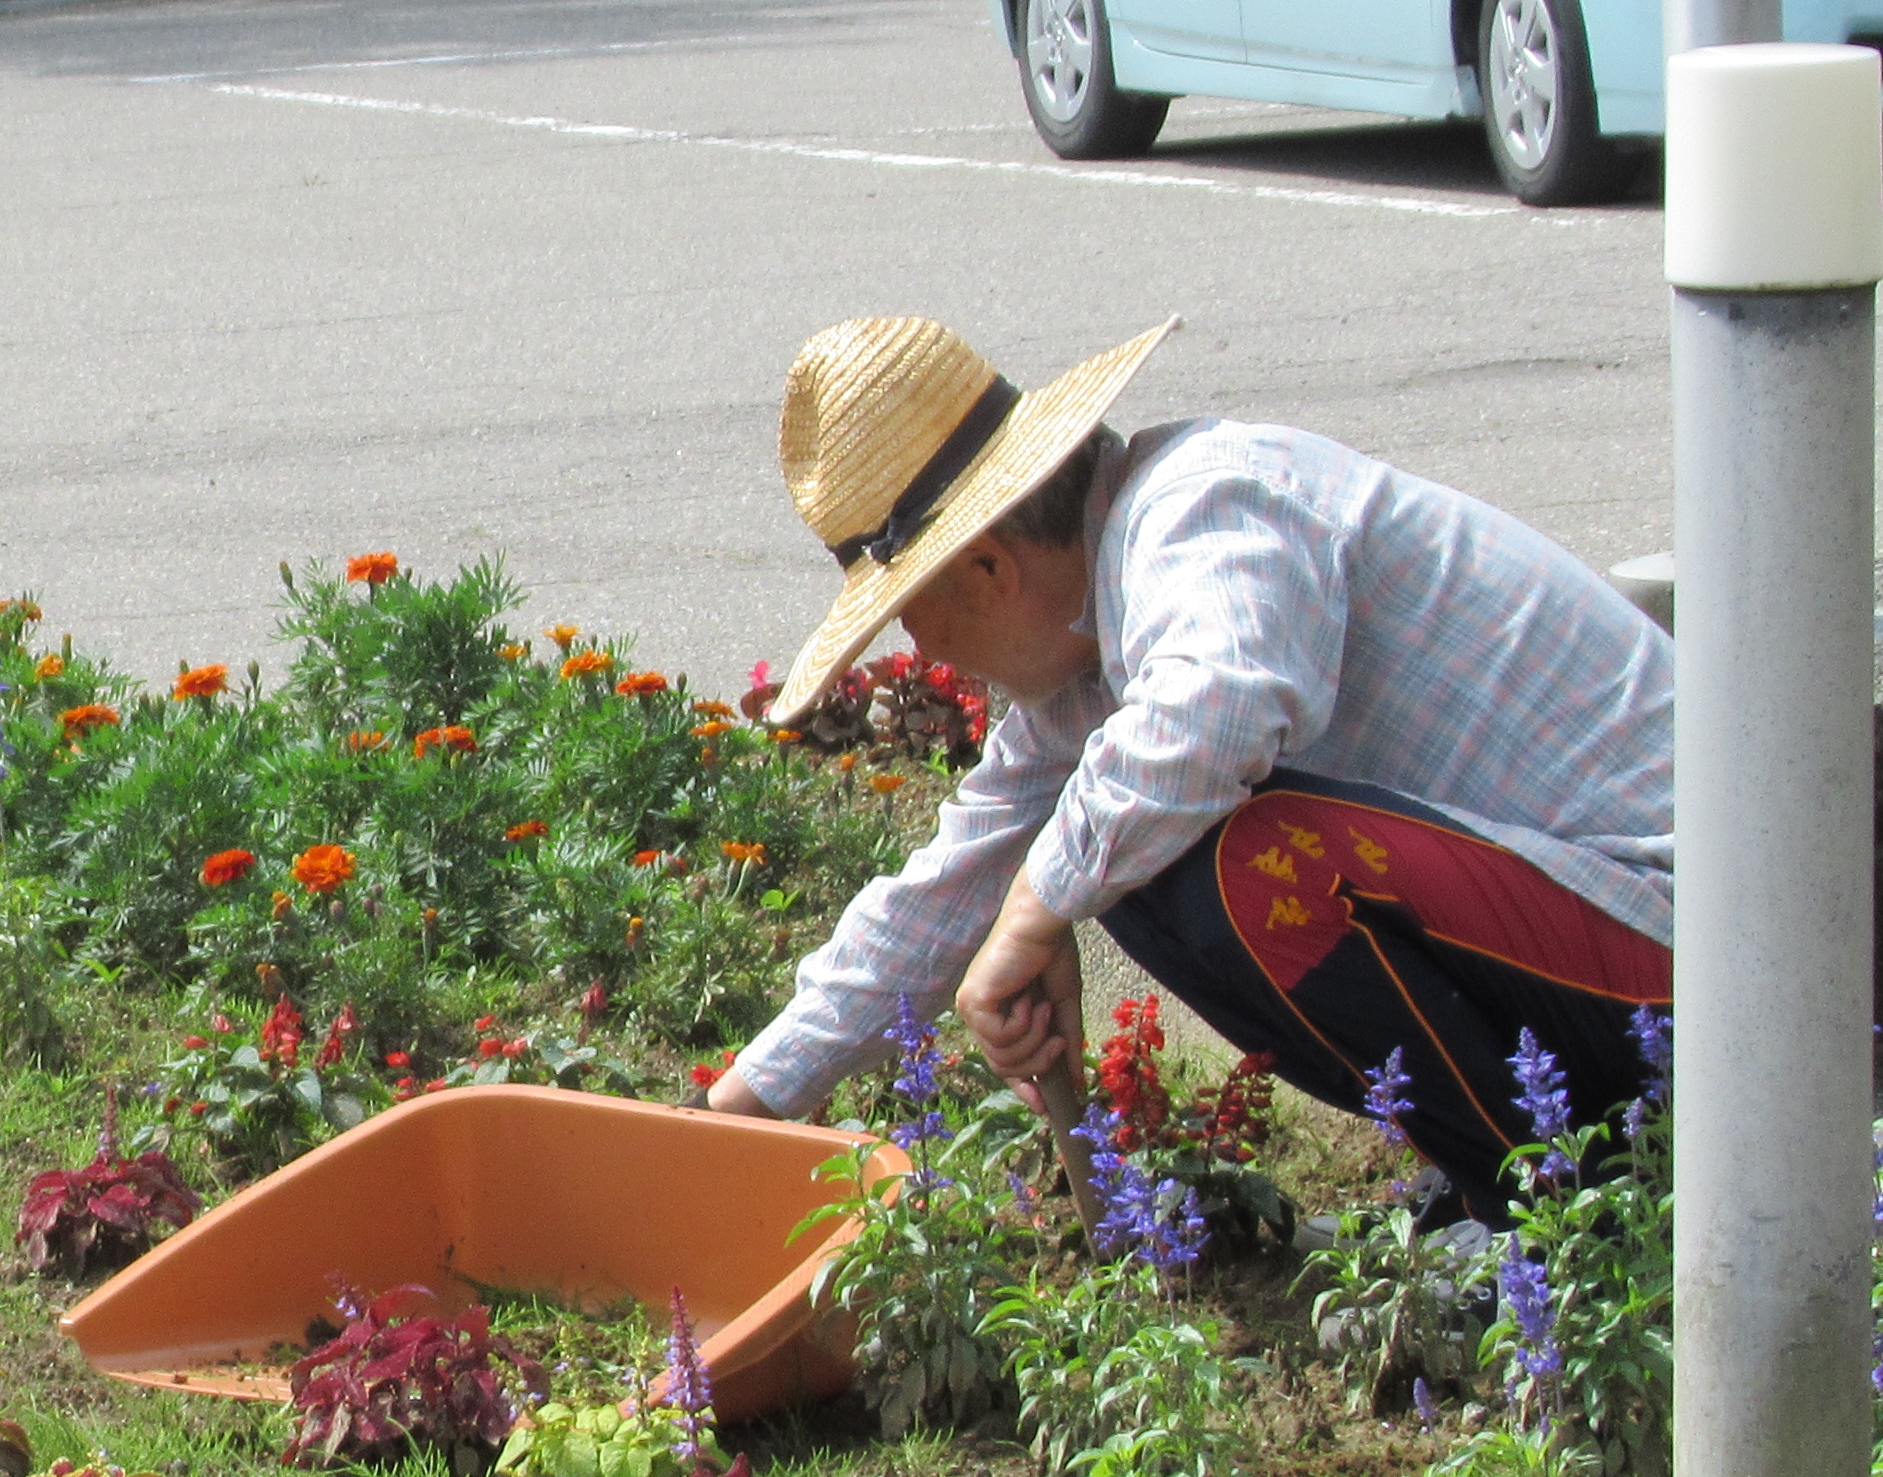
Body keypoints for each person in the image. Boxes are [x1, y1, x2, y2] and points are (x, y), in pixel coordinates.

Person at [705, 314, 1675, 1215]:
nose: (932, 658)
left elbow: (1220, 710)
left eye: (918, 618)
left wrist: (1037, 913)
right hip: (1608, 950)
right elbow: (947, 888)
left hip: (1695, 951)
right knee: (1116, 848)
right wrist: (730, 1118)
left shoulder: (1200, 506)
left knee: (1202, 861)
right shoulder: (1089, 651)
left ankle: (1553, 1216)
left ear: (991, 569)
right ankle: (1533, 1174)